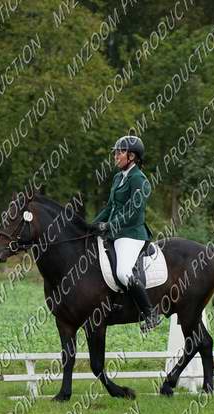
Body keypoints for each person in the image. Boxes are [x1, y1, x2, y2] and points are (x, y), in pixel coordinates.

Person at [90, 135, 161, 333]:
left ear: (132, 156)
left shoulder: (139, 179)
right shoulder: (118, 177)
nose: (115, 156)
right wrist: (91, 226)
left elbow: (133, 212)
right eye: (115, 152)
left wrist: (109, 225)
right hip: (114, 232)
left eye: (119, 152)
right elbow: (110, 207)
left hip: (131, 234)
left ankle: (150, 313)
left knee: (123, 272)